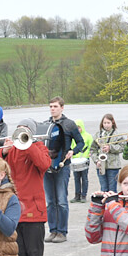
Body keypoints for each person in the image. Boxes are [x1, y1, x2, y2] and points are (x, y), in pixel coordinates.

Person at [0, 119, 52, 256]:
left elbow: (44, 164)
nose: (21, 133)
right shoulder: (11, 151)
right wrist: (3, 151)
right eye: (19, 130)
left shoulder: (39, 147)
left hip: (34, 212)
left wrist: (29, 143)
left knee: (35, 255)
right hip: (14, 210)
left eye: (25, 131)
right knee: (18, 255)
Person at [43, 96, 84, 243]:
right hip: (47, 167)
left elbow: (81, 142)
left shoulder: (69, 124)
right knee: (50, 201)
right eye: (50, 106)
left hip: (63, 166)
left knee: (61, 200)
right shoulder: (46, 124)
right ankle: (53, 230)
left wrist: (73, 151)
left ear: (62, 108)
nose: (52, 108)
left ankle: (62, 232)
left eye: (55, 106)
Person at [90, 114, 123, 193]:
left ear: (113, 123)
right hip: (101, 166)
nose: (106, 125)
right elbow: (92, 149)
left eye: (108, 123)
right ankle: (104, 204)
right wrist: (96, 161)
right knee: (103, 188)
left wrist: (110, 148)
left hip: (113, 166)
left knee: (112, 189)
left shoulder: (117, 134)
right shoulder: (98, 135)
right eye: (104, 123)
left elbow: (122, 147)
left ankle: (112, 204)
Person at [70, 119, 93, 203]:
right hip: (75, 160)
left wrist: (89, 153)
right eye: (76, 128)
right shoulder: (73, 138)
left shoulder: (88, 136)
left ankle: (84, 195)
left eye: (79, 127)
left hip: (84, 159)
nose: (78, 129)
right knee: (76, 178)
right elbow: (71, 147)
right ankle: (77, 195)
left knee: (84, 178)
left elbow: (92, 146)